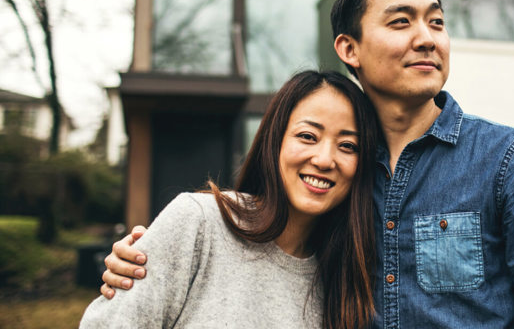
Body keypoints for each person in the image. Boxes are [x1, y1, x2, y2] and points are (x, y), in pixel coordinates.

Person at [101, 0, 514, 327]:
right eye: (401, 22)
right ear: (349, 48)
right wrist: (145, 263)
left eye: (437, 22)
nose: (426, 37)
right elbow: (262, 254)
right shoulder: (336, 180)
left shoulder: (510, 161)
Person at [81, 71, 379, 329]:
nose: (325, 159)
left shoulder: (347, 282)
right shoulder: (199, 223)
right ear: (274, 141)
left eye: (348, 146)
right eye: (308, 136)